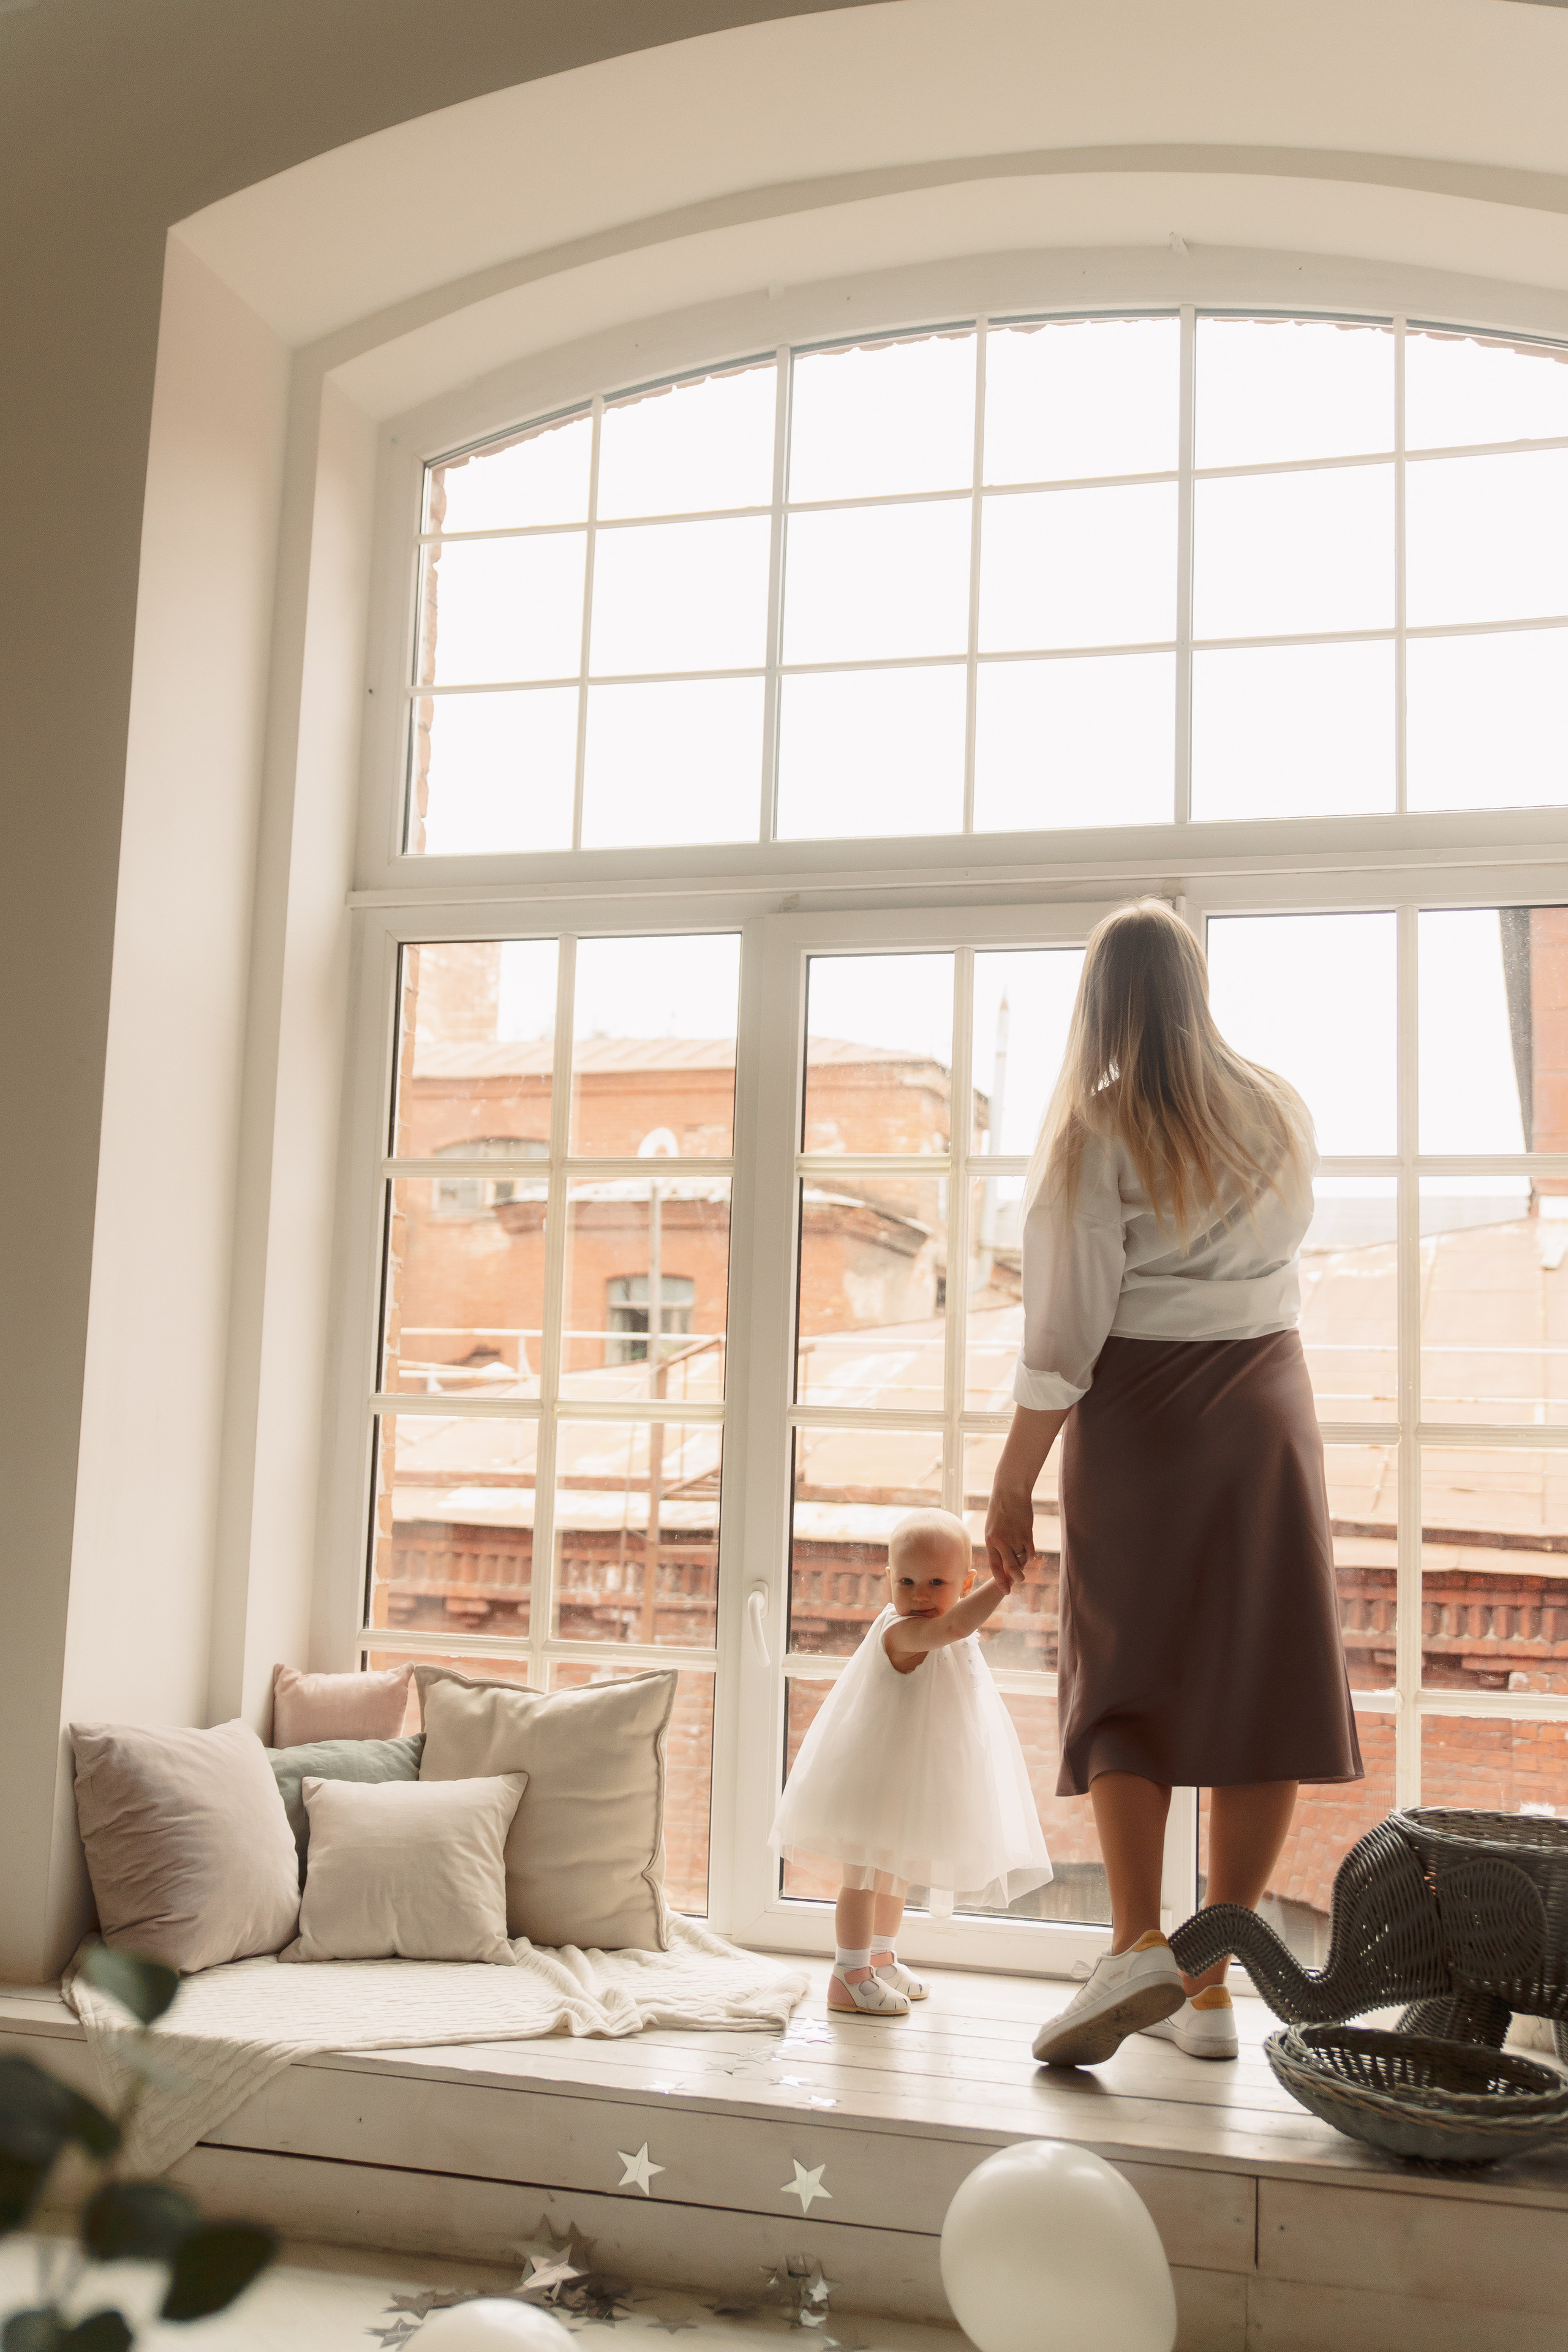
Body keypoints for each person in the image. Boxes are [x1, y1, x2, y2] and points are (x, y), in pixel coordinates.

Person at [985, 899, 1362, 2069]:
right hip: (1267, 1409)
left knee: (1126, 1681)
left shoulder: (1095, 1137)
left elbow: (1061, 1340)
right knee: (1266, 1681)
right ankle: (1207, 1984)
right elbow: (1286, 1258)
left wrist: (1006, 1492)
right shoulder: (1280, 1111)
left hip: (1142, 1417)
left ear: (1100, 1002)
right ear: (1195, 990)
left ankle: (1137, 1943)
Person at [770, 1507, 1053, 2015]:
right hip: (870, 1779)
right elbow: (954, 1626)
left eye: (936, 1582)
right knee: (860, 1877)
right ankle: (848, 1973)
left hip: (906, 1776)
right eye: (907, 1581)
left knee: (894, 1874)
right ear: (888, 1581)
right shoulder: (902, 1632)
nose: (920, 1595)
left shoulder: (944, 1627)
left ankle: (880, 1958)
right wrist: (1002, 1584)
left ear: (962, 1582)